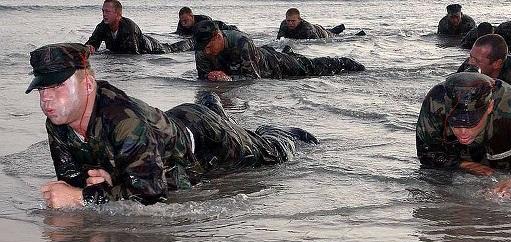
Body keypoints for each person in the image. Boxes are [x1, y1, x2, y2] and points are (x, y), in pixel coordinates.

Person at [30, 43, 318, 208]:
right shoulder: (58, 120)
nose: (47, 99)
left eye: (57, 86)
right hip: (169, 127)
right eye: (42, 90)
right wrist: (96, 180)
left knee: (273, 150)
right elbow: (69, 175)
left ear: (88, 84)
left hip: (205, 141)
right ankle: (213, 104)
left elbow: (150, 192)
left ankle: (278, 131)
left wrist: (83, 197)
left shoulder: (121, 118)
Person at [416, 72, 511, 197]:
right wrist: (465, 165)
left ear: (489, 107)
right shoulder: (435, 102)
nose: (462, 132)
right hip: (486, 147)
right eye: (455, 123)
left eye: (470, 123)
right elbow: (427, 153)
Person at [194, 20, 364, 81]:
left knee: (310, 67)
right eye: (203, 49)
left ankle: (345, 61)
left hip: (274, 64)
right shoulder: (201, 50)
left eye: (209, 47)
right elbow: (203, 76)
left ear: (217, 37)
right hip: (257, 61)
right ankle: (288, 51)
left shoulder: (241, 42)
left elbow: (251, 78)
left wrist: (227, 80)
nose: (206, 52)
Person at [85, 0, 193, 54]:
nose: (104, 14)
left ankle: (192, 42)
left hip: (153, 48)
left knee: (172, 49)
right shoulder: (102, 26)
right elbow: (92, 43)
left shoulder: (129, 28)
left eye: (107, 11)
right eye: (103, 11)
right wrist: (90, 47)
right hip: (140, 43)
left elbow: (134, 56)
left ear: (118, 15)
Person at [276, 8, 345, 39]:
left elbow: (319, 42)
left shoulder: (307, 28)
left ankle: (341, 27)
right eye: (288, 20)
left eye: (293, 21)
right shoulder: (284, 24)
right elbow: (279, 40)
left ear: (299, 20)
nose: (290, 23)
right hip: (313, 29)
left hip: (321, 32)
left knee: (332, 33)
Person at [174, 7, 238, 36]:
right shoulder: (181, 23)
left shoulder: (203, 20)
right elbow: (179, 34)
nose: (183, 23)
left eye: (185, 20)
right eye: (182, 21)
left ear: (192, 16)